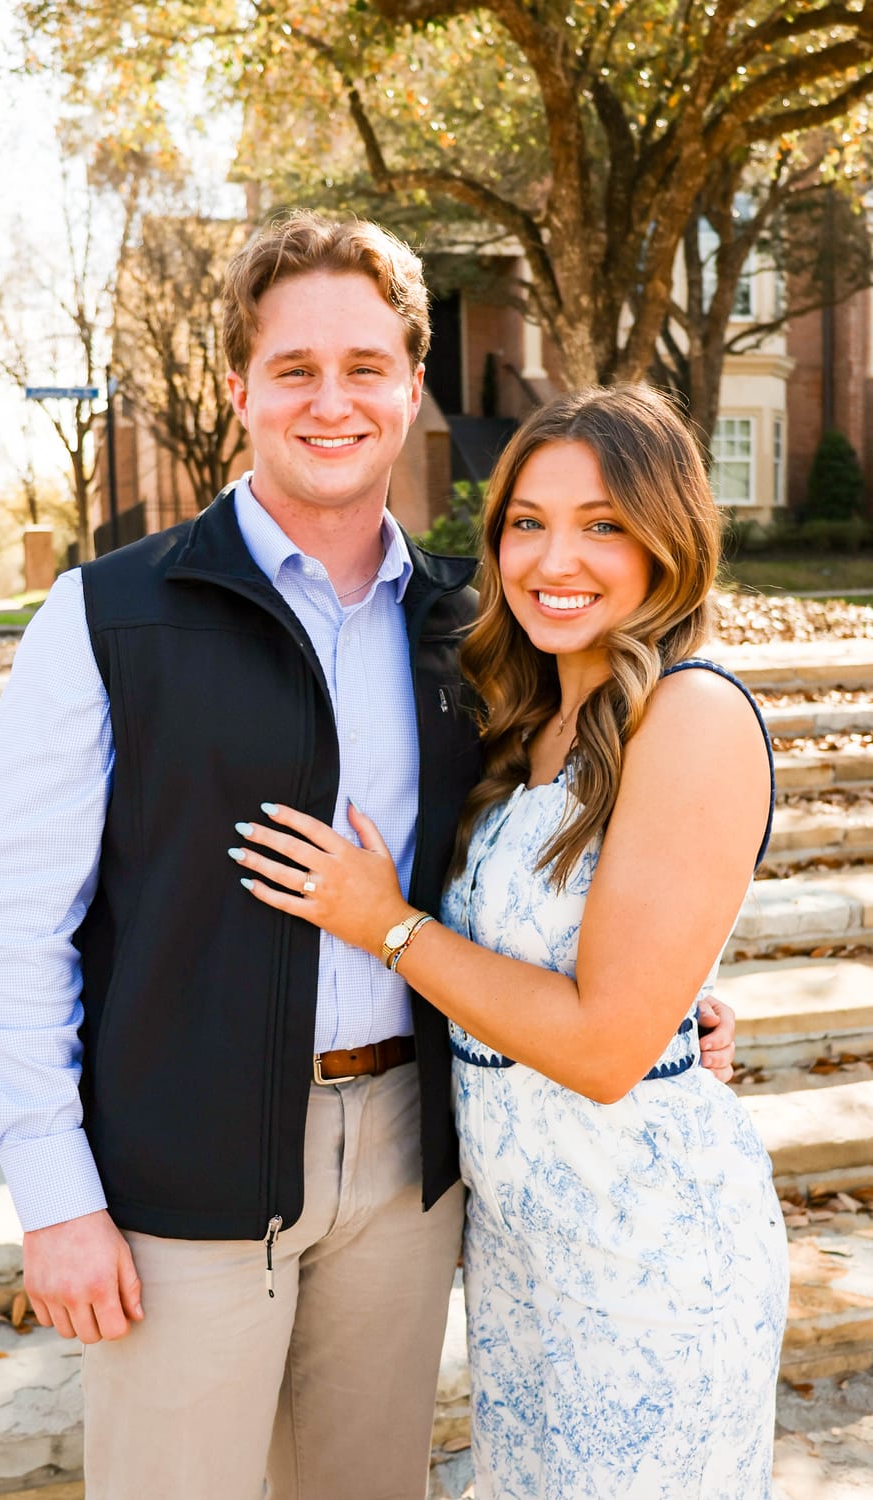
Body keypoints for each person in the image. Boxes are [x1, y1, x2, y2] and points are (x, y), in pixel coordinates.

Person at [0, 217, 735, 1500]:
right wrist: (56, 1199)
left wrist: (669, 998)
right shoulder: (106, 616)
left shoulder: (475, 631)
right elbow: (12, 929)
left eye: (367, 367)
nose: (333, 401)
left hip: (407, 1171)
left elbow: (549, 853)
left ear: (411, 386)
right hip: (180, 1172)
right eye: (295, 369)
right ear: (238, 391)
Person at [231, 384, 787, 1499]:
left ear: (668, 539)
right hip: (526, 1254)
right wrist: (681, 1012)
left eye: (603, 524)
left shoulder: (690, 713)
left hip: (648, 1261)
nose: (553, 558)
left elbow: (597, 1050)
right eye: (526, 522)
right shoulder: (528, 720)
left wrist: (382, 921)